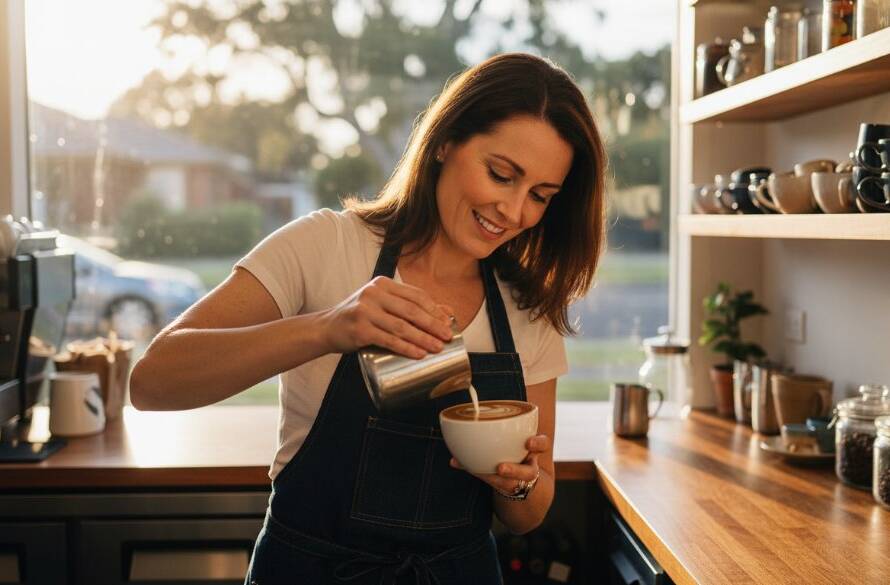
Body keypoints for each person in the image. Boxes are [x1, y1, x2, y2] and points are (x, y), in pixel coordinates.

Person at [130, 52, 607, 585]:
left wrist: (516, 482)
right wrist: (328, 328)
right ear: (445, 142)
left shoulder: (526, 308)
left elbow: (528, 513)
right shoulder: (326, 246)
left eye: (540, 196)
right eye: (501, 174)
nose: (515, 212)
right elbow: (152, 382)